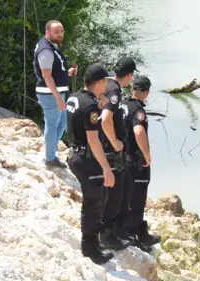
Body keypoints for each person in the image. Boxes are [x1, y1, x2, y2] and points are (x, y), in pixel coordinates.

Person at [67, 62, 116, 265]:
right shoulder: (90, 106)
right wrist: (106, 168)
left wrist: (100, 105)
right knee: (94, 202)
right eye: (105, 82)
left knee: (99, 197)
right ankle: (89, 248)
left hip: (75, 154)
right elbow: (93, 140)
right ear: (100, 82)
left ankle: (93, 241)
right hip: (87, 158)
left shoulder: (75, 97)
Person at [98, 56, 137, 251]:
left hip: (101, 146)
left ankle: (107, 230)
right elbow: (106, 119)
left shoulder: (105, 83)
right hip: (111, 150)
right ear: (129, 75)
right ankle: (105, 234)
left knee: (110, 191)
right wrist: (115, 144)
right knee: (115, 194)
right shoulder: (114, 90)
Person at [120, 74, 161, 250]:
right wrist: (146, 154)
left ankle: (125, 229)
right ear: (147, 92)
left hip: (120, 157)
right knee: (137, 198)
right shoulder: (138, 110)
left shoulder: (122, 105)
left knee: (125, 196)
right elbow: (138, 131)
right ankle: (137, 235)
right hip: (135, 160)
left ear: (132, 88)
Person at [32, 20, 77, 168]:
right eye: (56, 32)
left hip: (54, 92)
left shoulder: (50, 46)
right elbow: (46, 76)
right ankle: (50, 158)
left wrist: (67, 73)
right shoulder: (46, 50)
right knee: (52, 125)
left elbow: (53, 72)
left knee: (62, 123)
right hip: (50, 95)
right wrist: (58, 98)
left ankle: (50, 151)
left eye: (61, 31)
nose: (60, 34)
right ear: (47, 32)